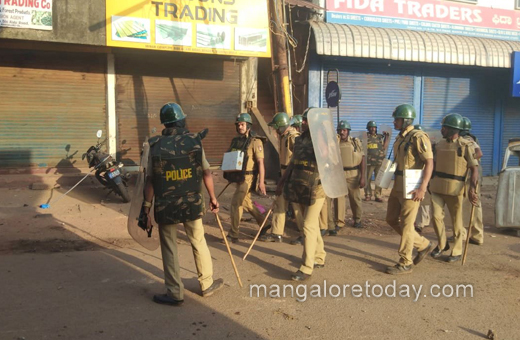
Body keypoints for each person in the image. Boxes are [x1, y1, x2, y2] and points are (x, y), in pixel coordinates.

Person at [142, 102, 224, 306]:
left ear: (165, 123)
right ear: (181, 120)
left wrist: (146, 208)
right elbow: (206, 172)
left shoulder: (155, 145)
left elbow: (150, 180)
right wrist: (213, 197)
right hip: (192, 203)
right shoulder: (194, 141)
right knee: (198, 240)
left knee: (169, 247)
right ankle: (206, 284)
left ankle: (174, 292)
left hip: (165, 205)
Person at [276, 108, 326, 281]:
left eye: (306, 120)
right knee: (310, 225)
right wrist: (282, 181)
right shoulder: (299, 140)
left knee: (308, 226)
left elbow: (329, 158)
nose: (302, 123)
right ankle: (319, 256)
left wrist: (320, 135)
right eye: (303, 120)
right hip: (301, 185)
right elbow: (293, 163)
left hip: (317, 189)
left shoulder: (325, 138)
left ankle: (306, 268)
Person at [385, 104, 433, 275]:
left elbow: (429, 162)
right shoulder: (400, 138)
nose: (394, 122)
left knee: (407, 224)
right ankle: (423, 244)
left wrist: (423, 187)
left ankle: (405, 262)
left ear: (405, 120)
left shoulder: (418, 137)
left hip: (412, 185)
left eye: (397, 119)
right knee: (390, 219)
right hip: (398, 183)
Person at [430, 114, 479, 263]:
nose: (442, 129)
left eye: (444, 127)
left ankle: (456, 251)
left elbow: (474, 168)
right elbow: (433, 165)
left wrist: (472, 188)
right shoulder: (439, 145)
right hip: (437, 187)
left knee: (456, 222)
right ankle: (442, 244)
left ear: (453, 129)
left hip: (455, 189)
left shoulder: (465, 146)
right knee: (436, 217)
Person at [260, 112, 304, 243]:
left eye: (275, 127)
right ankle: (276, 233)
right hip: (285, 174)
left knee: (296, 206)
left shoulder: (293, 137)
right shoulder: (284, 137)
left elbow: (297, 159)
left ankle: (305, 233)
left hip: (293, 175)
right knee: (280, 203)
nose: (274, 130)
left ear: (280, 126)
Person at [223, 113, 267, 243]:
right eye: (238, 124)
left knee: (236, 203)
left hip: (248, 178)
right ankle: (264, 223)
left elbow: (260, 163)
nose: (239, 126)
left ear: (248, 125)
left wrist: (261, 182)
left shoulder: (255, 141)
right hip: (238, 176)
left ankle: (233, 234)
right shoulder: (237, 140)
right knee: (246, 202)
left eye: (242, 124)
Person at [329, 120, 365, 231]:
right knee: (338, 200)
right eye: (340, 130)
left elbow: (362, 159)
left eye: (344, 130)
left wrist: (363, 177)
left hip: (353, 174)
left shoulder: (355, 142)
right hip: (339, 174)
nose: (342, 132)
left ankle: (357, 219)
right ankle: (339, 222)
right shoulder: (335, 143)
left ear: (348, 131)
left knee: (355, 198)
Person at [460, 117, 484, 245]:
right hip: (472, 174)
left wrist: (469, 160)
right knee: (471, 204)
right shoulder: (470, 138)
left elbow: (479, 153)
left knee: (470, 203)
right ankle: (473, 235)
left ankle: (471, 235)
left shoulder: (467, 140)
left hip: (470, 176)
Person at [412, 125, 431, 233]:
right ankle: (423, 221)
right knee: (423, 201)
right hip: (420, 174)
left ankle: (421, 223)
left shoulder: (424, 143)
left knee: (424, 201)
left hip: (425, 175)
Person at [365, 121, 389, 203]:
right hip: (369, 162)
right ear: (368, 128)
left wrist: (386, 137)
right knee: (367, 179)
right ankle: (368, 194)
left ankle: (377, 195)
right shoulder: (365, 137)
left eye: (374, 127)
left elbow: (384, 147)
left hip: (379, 162)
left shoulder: (380, 137)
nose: (373, 129)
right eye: (371, 127)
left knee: (379, 180)